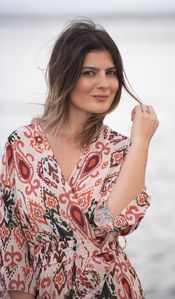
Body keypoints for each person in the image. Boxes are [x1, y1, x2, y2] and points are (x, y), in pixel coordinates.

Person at [0, 20, 159, 299]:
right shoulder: (21, 145)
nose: (104, 83)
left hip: (112, 289)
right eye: (90, 72)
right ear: (65, 75)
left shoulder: (122, 149)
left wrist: (141, 141)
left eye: (111, 73)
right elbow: (12, 242)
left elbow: (115, 221)